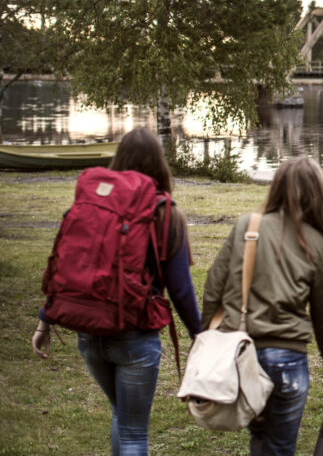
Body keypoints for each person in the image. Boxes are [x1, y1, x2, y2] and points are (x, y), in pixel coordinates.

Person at [31, 127, 203, 456]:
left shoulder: (94, 207)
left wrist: (44, 322)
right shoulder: (166, 213)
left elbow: (69, 263)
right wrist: (200, 335)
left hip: (89, 331)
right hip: (135, 337)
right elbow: (180, 289)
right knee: (134, 432)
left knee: (121, 416)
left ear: (119, 158)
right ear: (160, 163)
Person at [202, 156, 323, 455]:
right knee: (279, 447)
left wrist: (206, 341)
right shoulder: (319, 243)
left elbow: (212, 290)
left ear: (276, 186)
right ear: (318, 193)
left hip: (241, 355)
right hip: (286, 360)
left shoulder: (247, 226)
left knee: (259, 438)